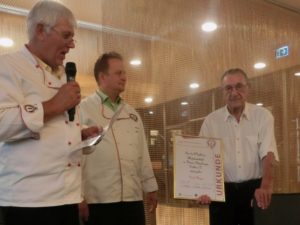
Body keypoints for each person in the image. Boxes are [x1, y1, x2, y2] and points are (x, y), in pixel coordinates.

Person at [0, 1, 99, 225]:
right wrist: (53, 105)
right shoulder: (7, 66)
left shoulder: (63, 75)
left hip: (67, 198)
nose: (71, 44)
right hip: (27, 203)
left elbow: (57, 130)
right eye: (66, 36)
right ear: (40, 31)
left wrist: (80, 134)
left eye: (72, 38)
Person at [79, 52, 158, 225]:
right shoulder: (82, 109)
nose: (124, 77)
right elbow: (75, 158)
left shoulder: (132, 113)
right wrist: (78, 196)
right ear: (102, 76)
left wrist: (150, 188)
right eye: (118, 73)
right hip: (98, 201)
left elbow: (142, 153)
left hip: (133, 198)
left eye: (124, 73)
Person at [197, 68, 279, 225]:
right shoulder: (210, 121)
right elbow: (202, 161)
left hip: (254, 191)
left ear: (248, 88)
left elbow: (268, 152)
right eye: (228, 88)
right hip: (221, 194)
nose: (234, 93)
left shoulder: (263, 116)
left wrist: (266, 186)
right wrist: (201, 189)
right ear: (222, 92)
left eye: (239, 86)